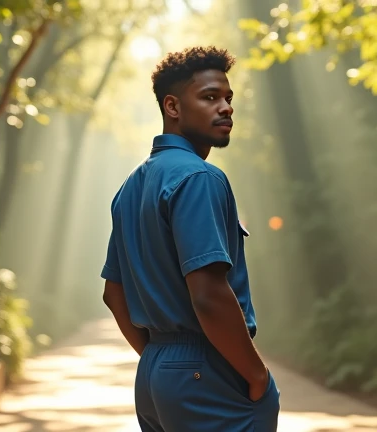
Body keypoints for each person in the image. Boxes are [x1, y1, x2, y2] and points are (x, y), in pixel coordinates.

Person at [100, 46, 280, 432]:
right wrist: (257, 375)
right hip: (208, 370)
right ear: (173, 107)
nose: (227, 107)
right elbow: (209, 295)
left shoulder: (131, 187)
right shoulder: (199, 178)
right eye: (210, 97)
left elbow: (113, 294)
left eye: (229, 98)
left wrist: (159, 360)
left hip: (155, 374)